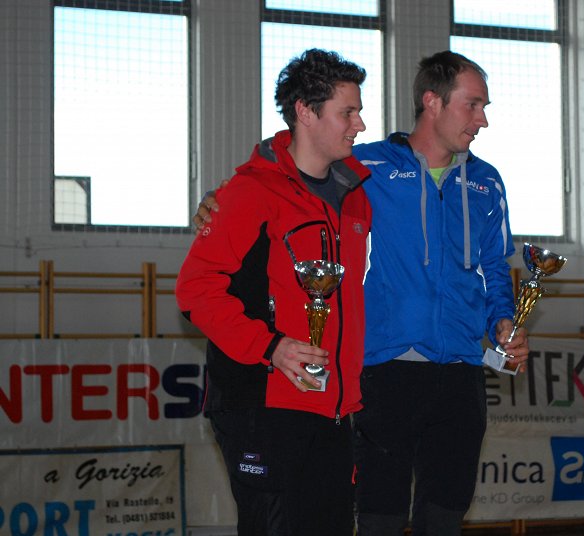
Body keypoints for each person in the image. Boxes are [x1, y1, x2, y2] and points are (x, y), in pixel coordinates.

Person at [193, 50, 529, 535]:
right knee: (376, 518)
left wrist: (503, 321)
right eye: (473, 105)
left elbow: (494, 268)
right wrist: (218, 200)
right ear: (432, 102)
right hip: (379, 372)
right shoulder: (364, 167)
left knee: (444, 516)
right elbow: (291, 168)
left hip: (458, 371)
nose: (483, 120)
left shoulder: (485, 182)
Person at [176, 48, 371, 536]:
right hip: (262, 405)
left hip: (332, 407)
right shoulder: (249, 192)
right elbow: (195, 289)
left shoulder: (356, 196)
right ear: (305, 111)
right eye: (348, 112)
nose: (360, 124)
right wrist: (270, 347)